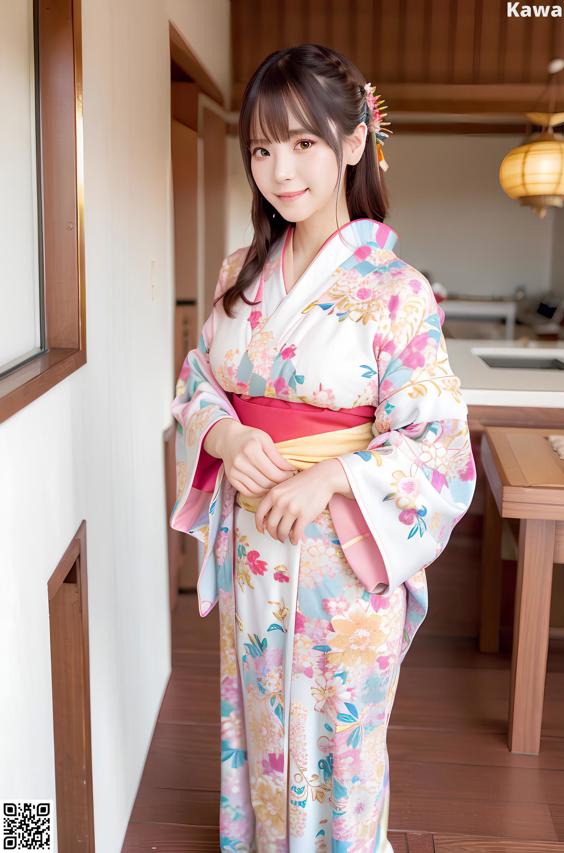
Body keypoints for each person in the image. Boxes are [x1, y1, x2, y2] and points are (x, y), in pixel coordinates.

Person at [170, 43, 476, 853]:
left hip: (340, 554)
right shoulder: (243, 269)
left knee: (338, 737)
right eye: (262, 148)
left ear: (351, 141)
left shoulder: (396, 291)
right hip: (254, 547)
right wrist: (225, 431)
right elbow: (200, 376)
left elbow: (438, 445)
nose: (280, 169)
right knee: (259, 721)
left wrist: (338, 473)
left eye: (303, 142)